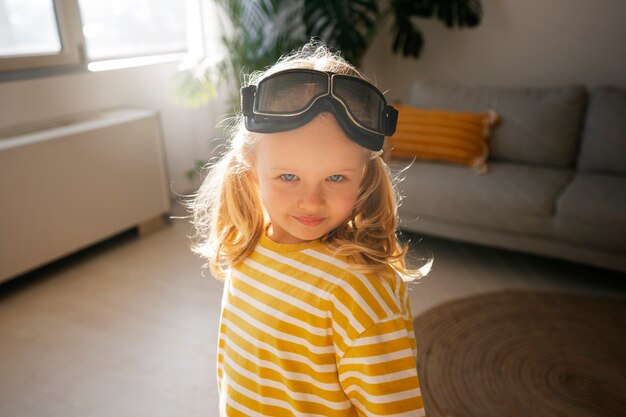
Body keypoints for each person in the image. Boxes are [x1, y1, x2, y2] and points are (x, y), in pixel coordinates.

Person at [190, 40, 430, 416]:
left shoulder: (361, 293)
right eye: (288, 176)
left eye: (336, 177)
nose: (311, 202)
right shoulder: (247, 247)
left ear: (364, 173)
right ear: (252, 166)